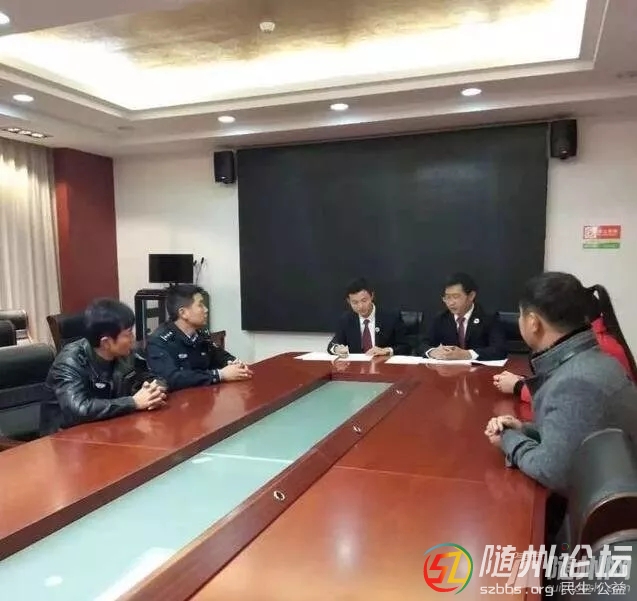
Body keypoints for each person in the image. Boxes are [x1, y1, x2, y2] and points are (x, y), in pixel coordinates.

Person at [484, 272, 637, 496]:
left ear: (533, 322)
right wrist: (526, 430)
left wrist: (509, 439)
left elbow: (552, 472)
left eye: (521, 315)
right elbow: (580, 434)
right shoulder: (595, 359)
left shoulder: (575, 382)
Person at [493, 283, 637, 406]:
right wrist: (527, 382)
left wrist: (518, 387)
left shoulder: (594, 347)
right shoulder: (592, 340)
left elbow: (567, 397)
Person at [43, 299, 167, 433]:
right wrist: (133, 402)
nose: (133, 338)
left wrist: (154, 391)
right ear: (106, 342)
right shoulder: (69, 362)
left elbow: (153, 378)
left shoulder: (125, 354)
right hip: (67, 436)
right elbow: (79, 409)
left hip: (110, 427)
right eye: (128, 334)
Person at [146, 284, 252, 391]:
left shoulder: (200, 336)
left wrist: (235, 365)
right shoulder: (159, 341)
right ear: (183, 313)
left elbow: (221, 357)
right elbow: (172, 379)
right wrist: (219, 375)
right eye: (200, 305)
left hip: (205, 395)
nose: (206, 310)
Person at [418, 273, 506, 361]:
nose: (451, 303)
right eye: (447, 297)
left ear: (471, 296)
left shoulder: (489, 317)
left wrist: (467, 354)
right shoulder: (441, 318)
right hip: (448, 368)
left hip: (479, 368)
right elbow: (421, 345)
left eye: (455, 297)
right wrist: (433, 352)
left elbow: (499, 349)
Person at [328, 277, 410, 357]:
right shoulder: (346, 320)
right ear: (349, 301)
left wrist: (387, 351)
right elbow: (333, 344)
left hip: (383, 364)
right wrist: (337, 349)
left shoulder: (391, 317)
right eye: (355, 302)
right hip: (357, 365)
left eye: (364, 300)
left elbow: (406, 346)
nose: (360, 306)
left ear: (372, 296)